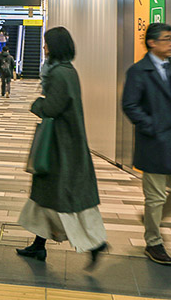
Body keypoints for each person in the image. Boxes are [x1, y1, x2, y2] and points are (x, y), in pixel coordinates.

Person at [17, 27, 108, 268]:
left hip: (61, 146)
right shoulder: (67, 71)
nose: (44, 48)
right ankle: (38, 246)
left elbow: (52, 108)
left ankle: (95, 243)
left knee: (63, 198)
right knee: (44, 197)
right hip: (63, 142)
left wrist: (36, 104)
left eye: (47, 44)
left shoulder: (59, 74)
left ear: (55, 46)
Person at [121, 22, 171, 266]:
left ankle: (150, 219)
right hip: (153, 143)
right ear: (152, 43)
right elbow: (130, 105)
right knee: (155, 197)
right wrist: (152, 127)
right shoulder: (138, 71)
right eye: (167, 38)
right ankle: (153, 242)